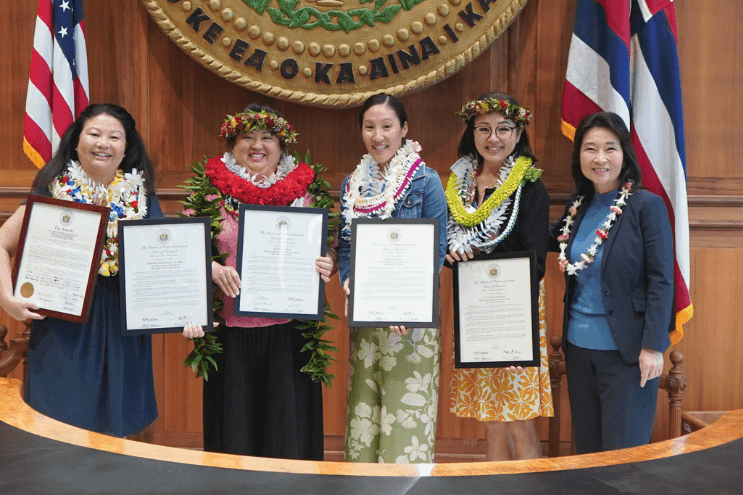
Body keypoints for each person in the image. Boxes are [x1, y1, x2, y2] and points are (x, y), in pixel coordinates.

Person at [0, 103, 161, 437]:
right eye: (94, 134)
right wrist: (7, 298)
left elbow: (165, 258)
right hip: (63, 327)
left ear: (126, 148)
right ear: (76, 142)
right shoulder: (51, 192)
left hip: (122, 327)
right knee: (60, 427)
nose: (103, 143)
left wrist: (190, 298)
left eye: (114, 136)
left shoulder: (143, 198)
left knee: (117, 431)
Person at [181, 104, 335, 459]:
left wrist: (328, 261)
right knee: (235, 437)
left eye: (267, 137)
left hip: (290, 331)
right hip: (232, 333)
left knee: (288, 437)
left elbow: (329, 247)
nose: (257, 145)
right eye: (247, 137)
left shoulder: (307, 192)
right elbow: (182, 253)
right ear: (232, 144)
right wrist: (211, 268)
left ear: (282, 145)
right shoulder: (209, 193)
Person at [335, 94, 448, 463]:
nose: (378, 135)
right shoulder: (353, 185)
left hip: (410, 323)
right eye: (370, 127)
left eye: (387, 126)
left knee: (405, 422)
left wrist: (406, 303)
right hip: (367, 318)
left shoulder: (426, 182)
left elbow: (435, 250)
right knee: (364, 417)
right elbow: (347, 248)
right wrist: (349, 282)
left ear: (404, 130)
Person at [443, 92, 554, 461]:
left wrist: (483, 259)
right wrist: (451, 254)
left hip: (513, 310)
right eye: (484, 129)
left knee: (518, 417)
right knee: (488, 417)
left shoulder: (531, 185)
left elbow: (535, 260)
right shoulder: (458, 184)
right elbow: (449, 245)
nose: (494, 138)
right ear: (472, 133)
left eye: (504, 128)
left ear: (519, 131)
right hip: (473, 310)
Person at [556, 110, 675, 454]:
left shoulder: (646, 206)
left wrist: (653, 346)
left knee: (624, 461)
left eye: (610, 148)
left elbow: (661, 281)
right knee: (588, 457)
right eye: (590, 149)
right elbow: (550, 244)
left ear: (625, 153)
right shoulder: (578, 205)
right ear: (579, 156)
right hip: (578, 351)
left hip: (628, 353)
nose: (600, 158)